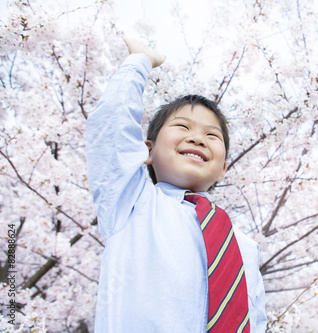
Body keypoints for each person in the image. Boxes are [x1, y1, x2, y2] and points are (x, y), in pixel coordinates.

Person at [86, 38, 267, 332]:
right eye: (182, 127)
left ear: (222, 170)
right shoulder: (131, 203)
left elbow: (255, 321)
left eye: (212, 136)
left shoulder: (244, 246)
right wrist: (138, 63)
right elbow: (111, 129)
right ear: (146, 151)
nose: (197, 138)